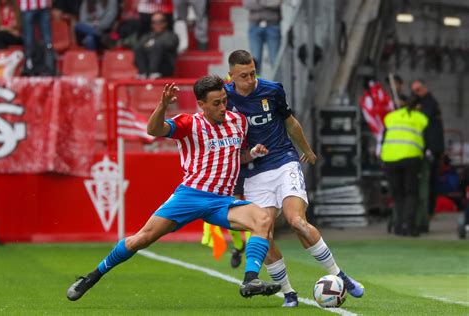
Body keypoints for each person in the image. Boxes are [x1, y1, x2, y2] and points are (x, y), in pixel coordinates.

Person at [66, 75, 281, 301]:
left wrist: (252, 154)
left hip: (222, 201)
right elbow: (153, 129)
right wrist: (163, 105)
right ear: (202, 104)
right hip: (191, 196)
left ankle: (250, 280)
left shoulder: (238, 121)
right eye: (216, 103)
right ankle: (92, 277)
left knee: (263, 220)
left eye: (224, 101)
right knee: (141, 239)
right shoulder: (189, 123)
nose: (222, 107)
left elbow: (237, 156)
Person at [225, 50, 364, 307]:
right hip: (254, 172)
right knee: (262, 233)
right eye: (243, 75)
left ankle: (340, 276)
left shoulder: (272, 90)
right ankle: (289, 293)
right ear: (231, 75)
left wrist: (307, 150)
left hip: (283, 160)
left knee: (297, 221)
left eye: (253, 73)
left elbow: (290, 123)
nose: (250, 79)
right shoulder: (224, 98)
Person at [381, 102, 429, 236]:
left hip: (390, 158)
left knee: (397, 194)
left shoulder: (391, 117)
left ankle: (398, 226)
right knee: (411, 193)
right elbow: (429, 137)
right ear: (417, 106)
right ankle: (410, 227)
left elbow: (383, 137)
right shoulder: (419, 117)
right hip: (411, 158)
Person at [410, 79, 445, 229]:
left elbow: (423, 118)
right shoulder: (422, 102)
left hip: (432, 148)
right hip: (426, 147)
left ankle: (428, 212)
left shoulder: (429, 102)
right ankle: (424, 213)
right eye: (414, 91)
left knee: (429, 182)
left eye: (418, 90)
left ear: (425, 88)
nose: (415, 94)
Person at [133, 11, 178, 78]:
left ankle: (154, 72)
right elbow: (140, 46)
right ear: (151, 24)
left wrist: (151, 45)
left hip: (164, 68)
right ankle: (142, 73)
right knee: (138, 47)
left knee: (157, 45)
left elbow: (169, 45)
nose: (157, 24)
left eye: (160, 21)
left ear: (165, 23)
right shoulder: (147, 36)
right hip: (146, 66)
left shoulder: (171, 36)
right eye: (154, 22)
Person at [17, 0, 56, 75]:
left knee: (47, 41)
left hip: (43, 5)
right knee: (29, 40)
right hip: (27, 6)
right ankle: (29, 67)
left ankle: (50, 67)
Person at [244, 0, 282, 74]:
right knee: (254, 63)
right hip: (255, 26)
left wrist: (259, 2)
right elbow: (247, 4)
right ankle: (257, 85)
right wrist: (267, 3)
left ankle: (277, 85)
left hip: (273, 25)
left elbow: (277, 3)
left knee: (276, 62)